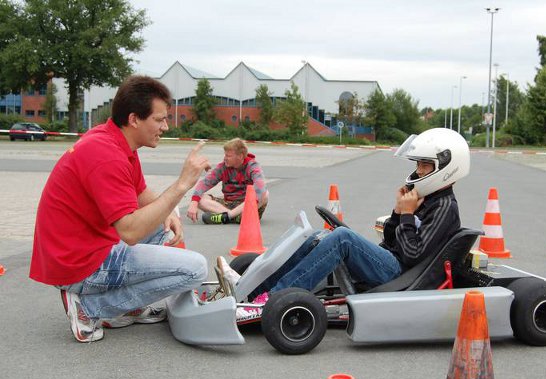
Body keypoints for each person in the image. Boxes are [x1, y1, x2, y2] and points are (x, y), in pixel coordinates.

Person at [29, 75, 211, 343]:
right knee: (195, 269)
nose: (165, 126)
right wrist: (182, 185)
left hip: (83, 246)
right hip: (76, 263)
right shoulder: (106, 155)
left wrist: (170, 213)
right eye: (159, 119)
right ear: (134, 119)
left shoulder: (115, 140)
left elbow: (140, 193)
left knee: (165, 226)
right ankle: (90, 309)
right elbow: (130, 232)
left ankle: (128, 305)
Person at [218, 128, 471, 319]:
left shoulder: (445, 207)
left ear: (447, 168)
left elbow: (413, 254)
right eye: (418, 165)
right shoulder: (426, 198)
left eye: (426, 166)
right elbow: (392, 240)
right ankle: (251, 289)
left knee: (342, 238)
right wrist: (397, 213)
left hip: (402, 275)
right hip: (393, 261)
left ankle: (270, 301)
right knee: (317, 236)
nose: (419, 172)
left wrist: (405, 215)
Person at [186, 138, 269, 225]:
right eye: (225, 155)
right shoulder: (223, 167)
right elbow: (205, 183)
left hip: (246, 205)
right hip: (228, 203)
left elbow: (260, 187)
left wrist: (240, 210)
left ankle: (228, 216)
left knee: (265, 194)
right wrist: (194, 202)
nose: (225, 158)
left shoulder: (253, 166)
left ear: (240, 156)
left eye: (228, 156)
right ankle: (235, 217)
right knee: (200, 199)